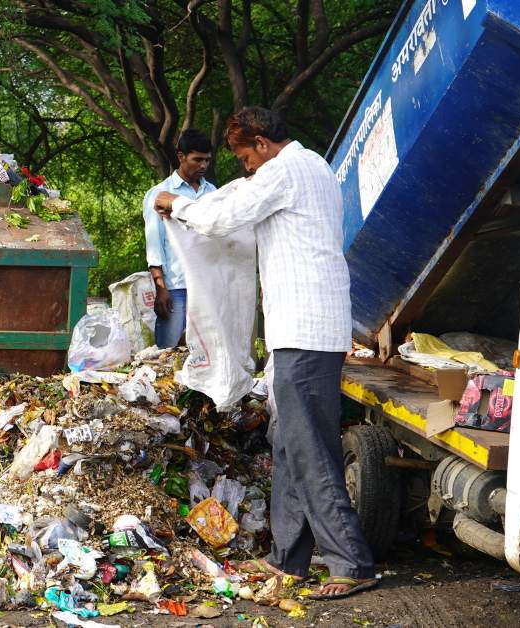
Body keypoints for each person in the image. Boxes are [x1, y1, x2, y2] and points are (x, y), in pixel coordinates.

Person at [155, 107, 377, 599]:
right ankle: (288, 557)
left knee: (309, 446)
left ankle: (351, 562)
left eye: (245, 157)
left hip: (305, 330)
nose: (246, 166)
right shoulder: (313, 165)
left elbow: (224, 215)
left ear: (261, 142)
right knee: (288, 442)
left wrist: (178, 204)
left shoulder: (285, 170)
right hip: (304, 329)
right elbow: (240, 197)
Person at [142, 129, 216, 348]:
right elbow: (154, 243)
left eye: (207, 160)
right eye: (197, 160)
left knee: (206, 351)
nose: (203, 165)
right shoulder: (160, 193)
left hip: (207, 285)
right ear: (181, 157)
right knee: (168, 352)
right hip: (175, 286)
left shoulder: (212, 192)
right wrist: (160, 287)